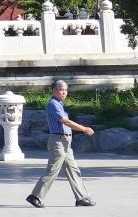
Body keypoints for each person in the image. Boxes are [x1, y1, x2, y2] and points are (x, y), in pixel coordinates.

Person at [27, 79, 95, 208]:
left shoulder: (60, 104)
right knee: (52, 170)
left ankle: (81, 198)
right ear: (54, 90)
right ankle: (35, 196)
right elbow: (65, 121)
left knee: (73, 170)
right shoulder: (53, 104)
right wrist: (83, 129)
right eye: (61, 89)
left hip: (65, 142)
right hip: (58, 142)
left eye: (66, 90)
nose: (64, 92)